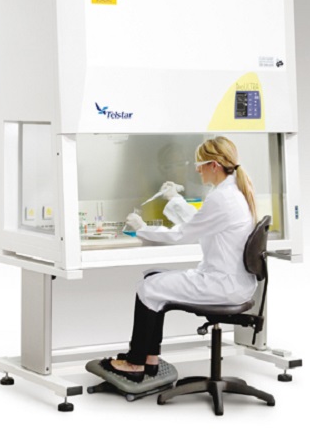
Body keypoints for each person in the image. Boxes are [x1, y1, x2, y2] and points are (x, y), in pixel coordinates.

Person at [100, 136, 259, 382]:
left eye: (200, 164)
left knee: (147, 288)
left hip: (223, 285)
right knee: (153, 277)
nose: (197, 170)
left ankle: (134, 363)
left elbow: (182, 234)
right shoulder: (231, 192)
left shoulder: (222, 197)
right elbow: (200, 223)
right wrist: (174, 199)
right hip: (233, 282)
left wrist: (142, 228)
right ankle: (150, 359)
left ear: (214, 165)